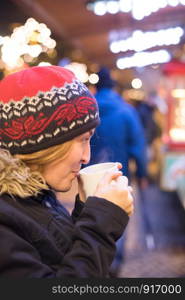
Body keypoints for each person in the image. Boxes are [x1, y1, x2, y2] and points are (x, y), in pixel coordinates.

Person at [0, 65, 134, 277]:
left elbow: (59, 255)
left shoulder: (34, 193)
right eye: (83, 139)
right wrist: (101, 224)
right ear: (45, 145)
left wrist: (88, 211)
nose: (86, 157)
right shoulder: (5, 221)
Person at [87, 67, 148, 275]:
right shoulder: (125, 111)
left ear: (97, 86)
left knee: (91, 216)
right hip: (119, 176)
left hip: (89, 176)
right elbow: (138, 146)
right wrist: (142, 173)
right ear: (114, 87)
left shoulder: (88, 109)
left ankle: (94, 263)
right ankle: (113, 266)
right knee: (119, 215)